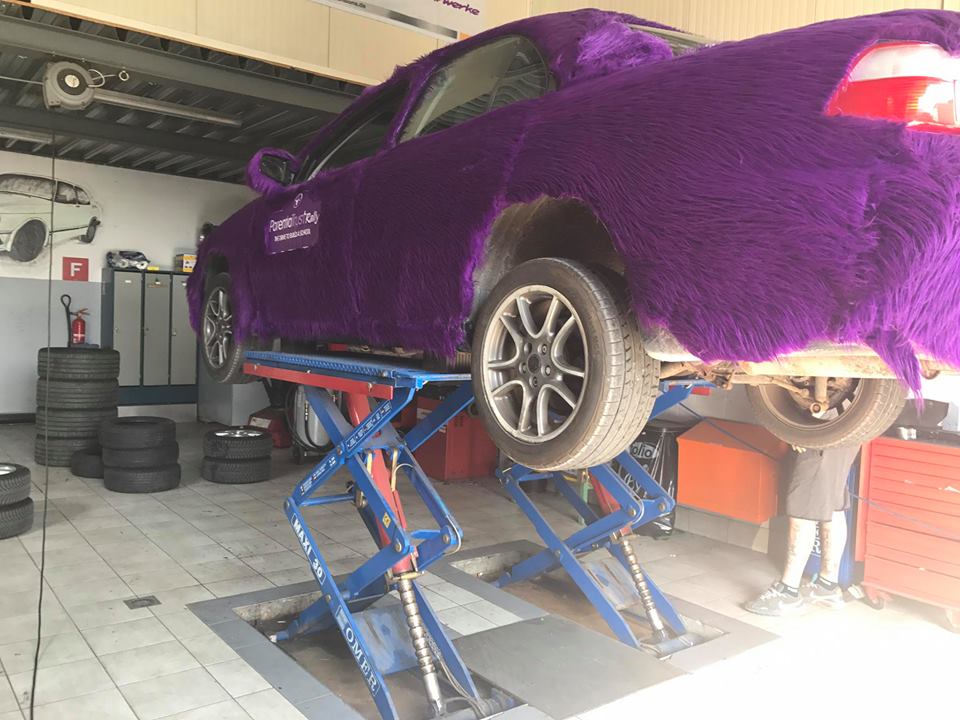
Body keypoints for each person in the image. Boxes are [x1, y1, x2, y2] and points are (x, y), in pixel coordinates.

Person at [744, 443, 860, 616]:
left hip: (819, 441)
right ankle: (826, 586)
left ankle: (788, 592)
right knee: (834, 505)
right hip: (846, 439)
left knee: (802, 511)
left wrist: (801, 434)